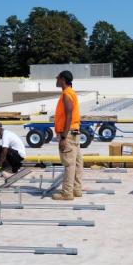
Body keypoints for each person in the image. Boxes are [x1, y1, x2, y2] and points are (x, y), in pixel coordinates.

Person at [52, 70, 83, 201]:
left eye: (57, 77)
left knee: (69, 164)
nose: (56, 79)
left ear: (63, 79)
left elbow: (68, 116)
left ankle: (67, 193)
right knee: (77, 162)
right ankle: (76, 189)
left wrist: (63, 137)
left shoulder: (66, 94)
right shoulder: (71, 93)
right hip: (74, 132)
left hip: (68, 134)